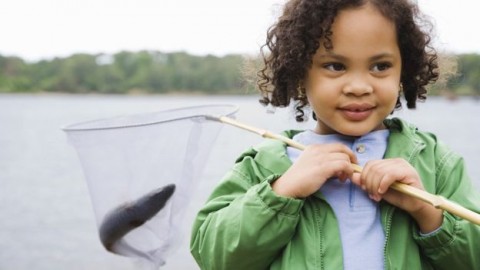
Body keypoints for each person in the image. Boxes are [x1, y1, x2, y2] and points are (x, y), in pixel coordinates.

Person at [190, 0, 480, 269]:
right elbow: (213, 255)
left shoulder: (434, 161)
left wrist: (425, 210)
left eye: (380, 66)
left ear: (404, 71)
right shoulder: (264, 165)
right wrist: (282, 192)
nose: (358, 86)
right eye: (335, 66)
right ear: (300, 72)